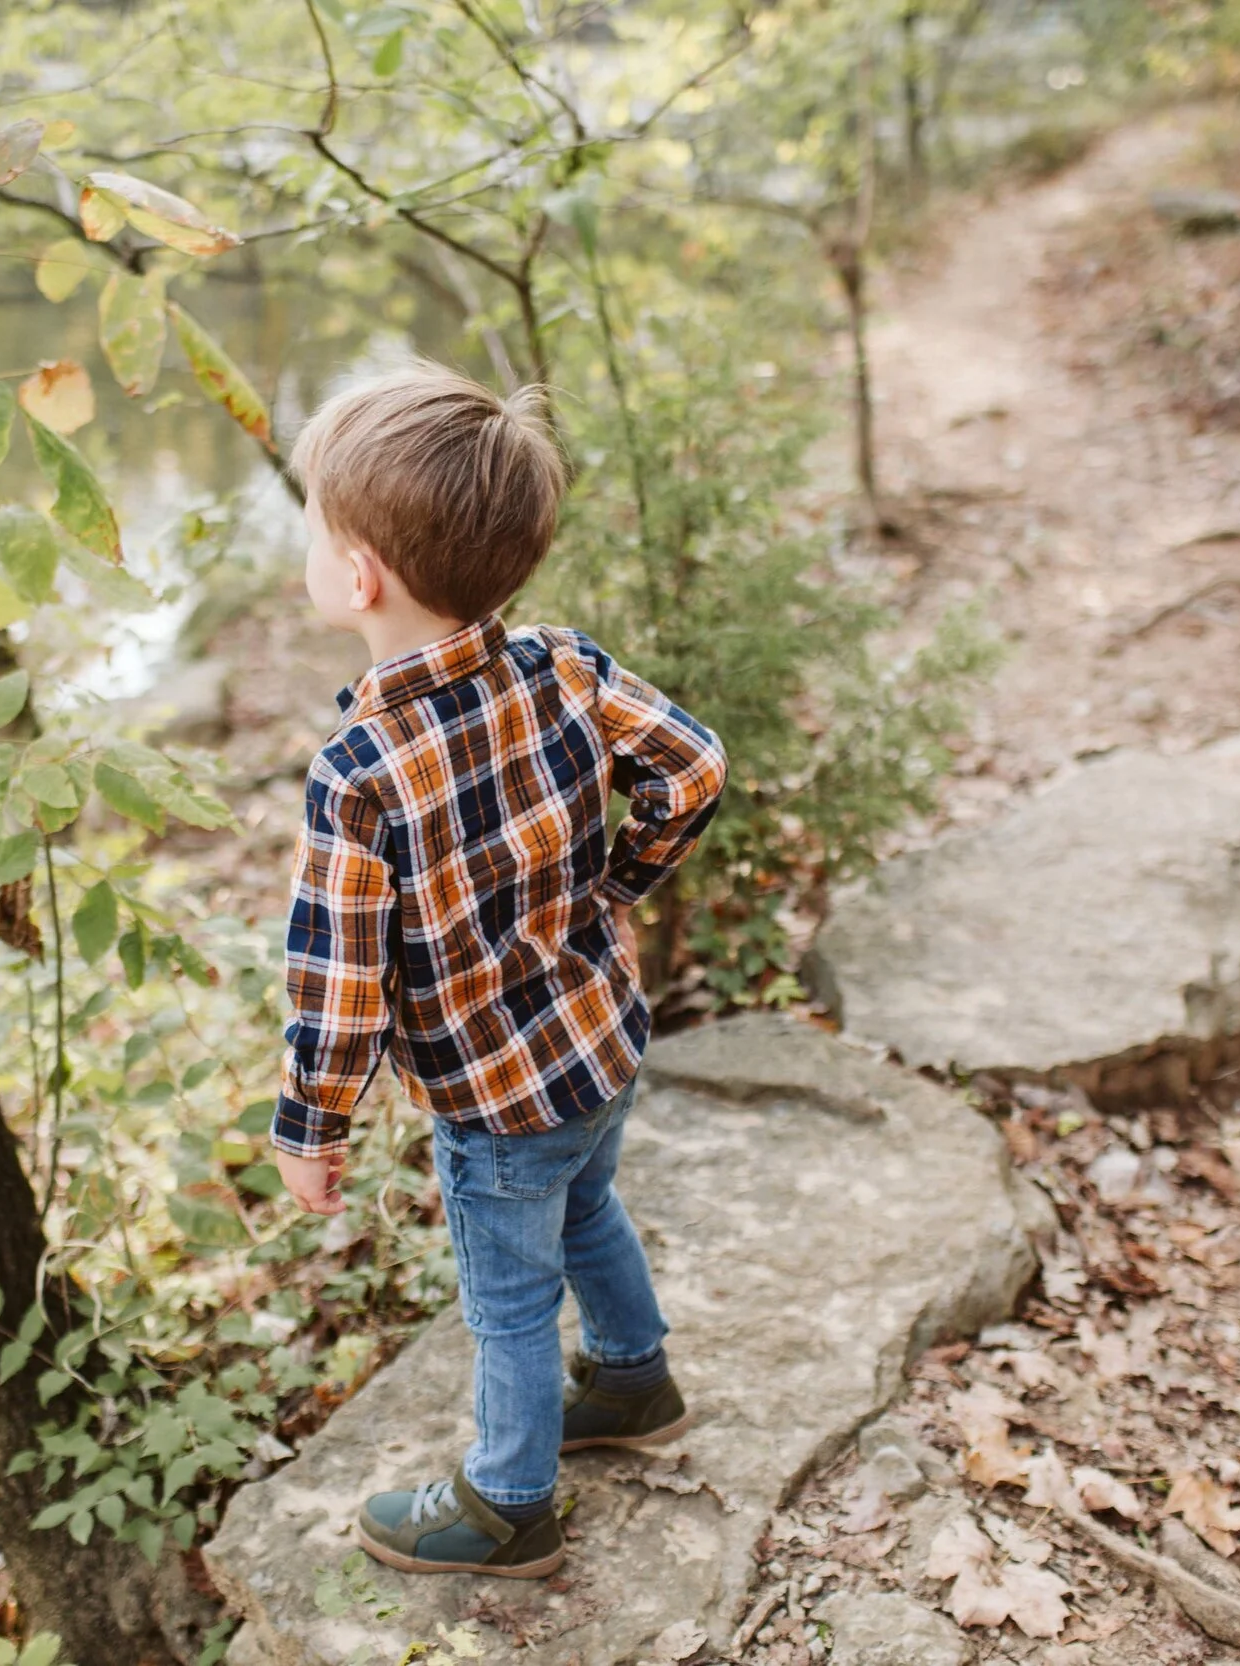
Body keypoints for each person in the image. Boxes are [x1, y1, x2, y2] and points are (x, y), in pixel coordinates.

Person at [270, 364, 728, 1580]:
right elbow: (693, 765)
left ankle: (511, 1500)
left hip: (493, 1096)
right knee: (589, 1207)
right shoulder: (564, 665)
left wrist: (310, 1124)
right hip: (599, 1039)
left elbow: (339, 979)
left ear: (357, 574)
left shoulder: (360, 771)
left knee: (511, 1296)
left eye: (312, 525)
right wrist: (616, 886)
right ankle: (634, 1379)